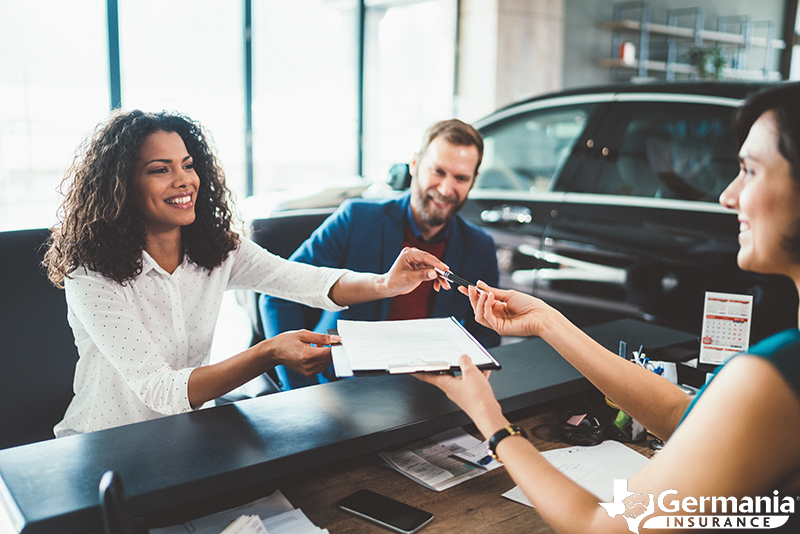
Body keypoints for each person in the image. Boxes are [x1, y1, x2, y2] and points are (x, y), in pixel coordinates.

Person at [417, 83, 800, 533]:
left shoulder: (777, 373)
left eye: (751, 171)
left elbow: (601, 526)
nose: (727, 196)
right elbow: (685, 415)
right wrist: (548, 321)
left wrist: (489, 419)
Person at [44, 109, 451, 437]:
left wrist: (386, 283)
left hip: (182, 435)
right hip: (104, 443)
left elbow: (305, 281)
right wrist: (268, 352)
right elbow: (160, 390)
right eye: (160, 169)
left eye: (187, 165)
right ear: (122, 185)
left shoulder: (216, 249)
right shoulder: (91, 272)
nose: (184, 179)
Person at [262, 119, 500, 390]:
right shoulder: (356, 219)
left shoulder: (480, 246)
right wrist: (299, 390)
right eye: (437, 171)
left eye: (460, 178)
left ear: (473, 180)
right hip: (341, 386)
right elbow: (278, 294)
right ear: (414, 165)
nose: (446, 189)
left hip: (429, 393)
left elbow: (485, 334)